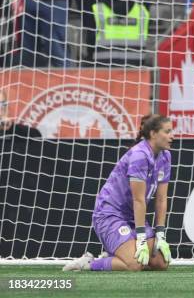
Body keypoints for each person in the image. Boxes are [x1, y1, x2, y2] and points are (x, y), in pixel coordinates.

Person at [62, 114, 174, 272]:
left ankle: (113, 255)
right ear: (153, 134)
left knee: (161, 263)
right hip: (110, 214)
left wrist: (161, 235)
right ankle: (89, 263)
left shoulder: (165, 156)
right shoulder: (139, 156)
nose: (172, 136)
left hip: (132, 217)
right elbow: (138, 200)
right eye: (167, 131)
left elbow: (161, 199)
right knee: (134, 265)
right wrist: (141, 238)